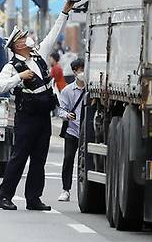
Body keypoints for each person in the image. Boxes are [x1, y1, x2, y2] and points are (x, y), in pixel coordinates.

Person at [0, 1, 74, 211]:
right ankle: (4, 196)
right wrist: (19, 77)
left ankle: (33, 198)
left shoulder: (39, 55)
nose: (27, 38)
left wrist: (65, 11)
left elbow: (53, 34)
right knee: (19, 158)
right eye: (22, 38)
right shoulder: (12, 66)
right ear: (17, 45)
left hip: (43, 117)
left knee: (39, 159)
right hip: (26, 118)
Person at [57, 58, 86, 202]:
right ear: (74, 72)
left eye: (84, 69)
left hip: (87, 132)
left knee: (86, 162)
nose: (82, 72)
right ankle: (65, 190)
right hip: (72, 131)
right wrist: (67, 115)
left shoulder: (91, 90)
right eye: (80, 70)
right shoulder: (67, 91)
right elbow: (61, 110)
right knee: (68, 159)